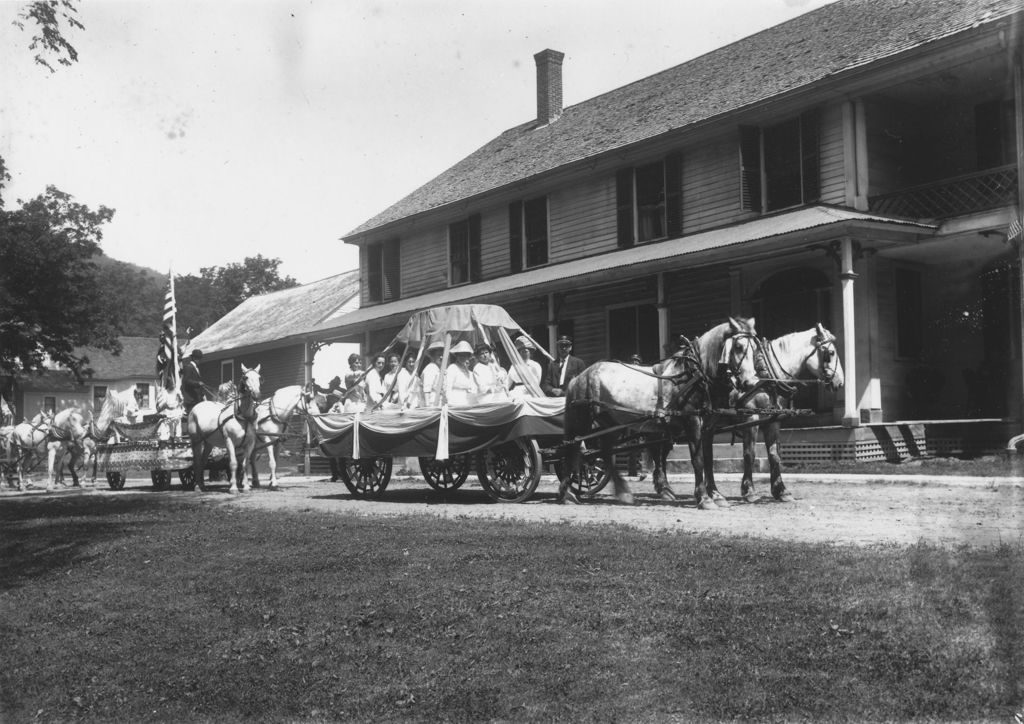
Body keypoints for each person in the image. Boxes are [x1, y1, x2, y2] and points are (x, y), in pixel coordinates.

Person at [445, 340, 479, 406]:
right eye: (460, 355)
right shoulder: (452, 368)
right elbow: (448, 387)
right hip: (456, 400)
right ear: (457, 356)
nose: (463, 357)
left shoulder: (467, 370)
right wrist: (450, 402)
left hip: (469, 400)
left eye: (465, 355)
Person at [180, 349, 207, 414]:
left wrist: (203, 394)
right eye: (198, 359)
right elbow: (187, 381)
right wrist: (197, 383)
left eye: (200, 358)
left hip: (197, 399)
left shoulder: (196, 368)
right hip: (190, 399)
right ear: (194, 358)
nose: (200, 361)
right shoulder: (188, 367)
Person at [420, 341, 445, 407]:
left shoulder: (440, 369)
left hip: (441, 402)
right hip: (432, 402)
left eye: (442, 355)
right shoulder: (430, 368)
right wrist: (428, 406)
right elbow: (427, 388)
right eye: (439, 355)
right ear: (432, 356)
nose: (441, 357)